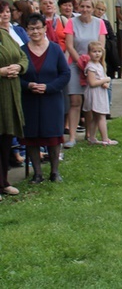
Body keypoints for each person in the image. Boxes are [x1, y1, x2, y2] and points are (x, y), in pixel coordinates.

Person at [20, 13, 71, 183]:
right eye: (31, 28)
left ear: (44, 29)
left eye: (38, 28)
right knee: (32, 136)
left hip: (52, 100)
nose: (35, 32)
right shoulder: (22, 51)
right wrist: (28, 85)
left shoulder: (55, 49)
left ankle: (55, 172)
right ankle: (37, 173)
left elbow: (65, 74)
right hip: (30, 100)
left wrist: (49, 87)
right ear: (26, 30)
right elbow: (16, 77)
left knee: (53, 135)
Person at [63, 0, 106, 148]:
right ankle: (72, 137)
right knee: (75, 101)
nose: (85, 10)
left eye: (88, 7)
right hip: (76, 64)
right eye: (82, 6)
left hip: (93, 66)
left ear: (93, 8)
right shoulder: (71, 22)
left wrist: (91, 66)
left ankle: (90, 133)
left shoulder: (99, 23)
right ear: (78, 7)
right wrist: (81, 63)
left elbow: (101, 46)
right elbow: (69, 45)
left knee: (89, 101)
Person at [0, 22, 27, 198]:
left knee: (5, 140)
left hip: (9, 97)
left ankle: (4, 182)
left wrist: (18, 67)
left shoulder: (6, 34)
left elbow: (23, 56)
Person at [82, 41, 116, 145]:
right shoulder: (91, 67)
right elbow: (92, 82)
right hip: (95, 94)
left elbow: (99, 80)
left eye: (99, 51)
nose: (97, 54)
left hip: (100, 93)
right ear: (89, 53)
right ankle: (105, 139)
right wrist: (107, 79)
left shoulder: (99, 65)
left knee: (96, 117)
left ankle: (92, 138)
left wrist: (104, 83)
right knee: (101, 116)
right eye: (94, 51)